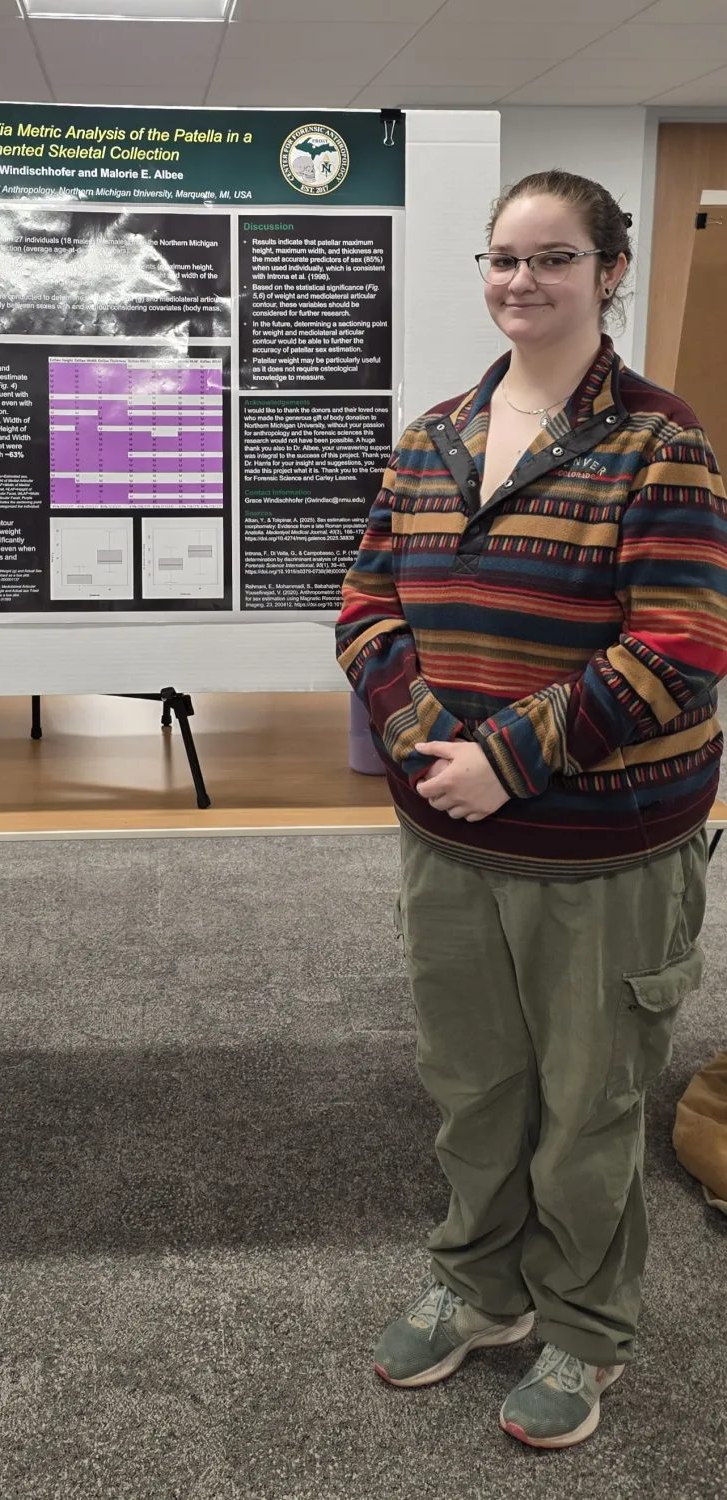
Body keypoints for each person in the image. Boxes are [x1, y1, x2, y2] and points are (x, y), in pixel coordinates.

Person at [336, 169, 727, 1450]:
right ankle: (480, 1286)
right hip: (447, 836)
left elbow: (680, 648)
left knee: (590, 1108)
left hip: (604, 849)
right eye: (502, 258)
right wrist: (420, 740)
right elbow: (365, 604)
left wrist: (505, 756)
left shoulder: (659, 443)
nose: (520, 281)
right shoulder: (433, 432)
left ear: (608, 272)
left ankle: (583, 1332)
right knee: (472, 1090)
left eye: (551, 259)